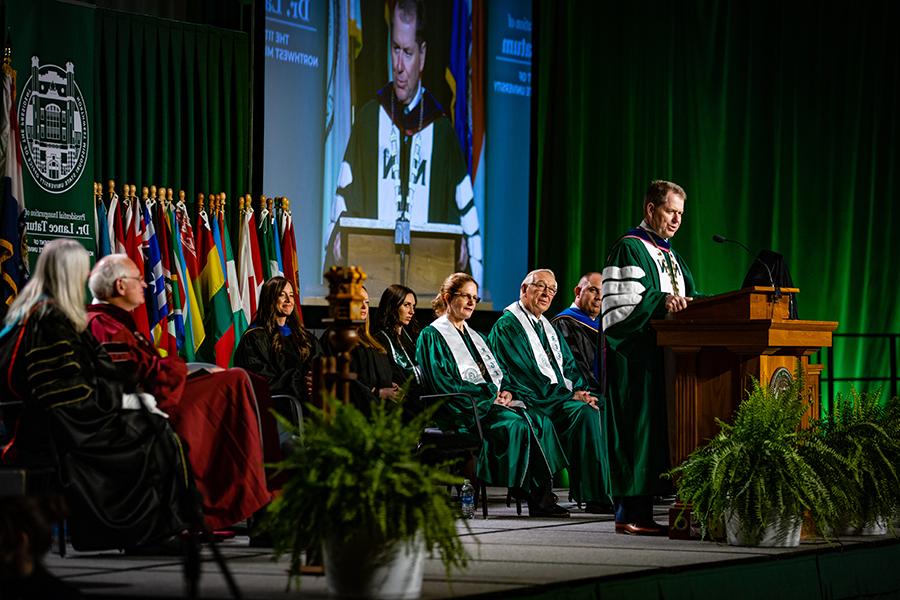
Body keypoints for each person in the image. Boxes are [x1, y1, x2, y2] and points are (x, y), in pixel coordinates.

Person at [0, 239, 194, 551]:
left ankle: (156, 529)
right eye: (80, 272)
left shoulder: (47, 313)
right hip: (57, 425)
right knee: (149, 433)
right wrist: (117, 401)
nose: (84, 278)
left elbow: (97, 369)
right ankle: (143, 535)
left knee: (150, 426)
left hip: (72, 415)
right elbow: (64, 392)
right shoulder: (47, 318)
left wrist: (126, 393)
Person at [86, 254, 272, 532]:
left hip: (159, 390)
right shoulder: (103, 324)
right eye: (139, 279)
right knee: (234, 384)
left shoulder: (116, 322)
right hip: (141, 406)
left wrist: (185, 371)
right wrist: (179, 370)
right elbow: (131, 376)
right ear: (120, 286)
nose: (146, 285)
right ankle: (241, 503)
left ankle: (251, 499)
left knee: (239, 380)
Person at [326, 0, 483, 286]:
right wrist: (340, 234)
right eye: (395, 49)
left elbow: (465, 225)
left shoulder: (442, 131)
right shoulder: (368, 120)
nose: (399, 66)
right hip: (372, 285)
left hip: (427, 285)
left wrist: (460, 245)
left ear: (422, 56)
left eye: (408, 53)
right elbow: (343, 207)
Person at [416, 273, 569, 517]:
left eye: (474, 298)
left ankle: (539, 496)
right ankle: (532, 494)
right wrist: (489, 394)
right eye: (465, 296)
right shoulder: (432, 336)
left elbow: (499, 373)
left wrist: (505, 391)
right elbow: (443, 382)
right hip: (458, 410)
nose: (471, 302)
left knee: (540, 419)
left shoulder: (476, 336)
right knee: (517, 425)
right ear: (447, 297)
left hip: (485, 405)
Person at [601, 179, 698, 536]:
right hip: (635, 362)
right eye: (670, 211)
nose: (676, 220)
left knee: (657, 434)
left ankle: (645, 511)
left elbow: (686, 296)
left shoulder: (670, 253)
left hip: (666, 359)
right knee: (636, 432)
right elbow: (620, 310)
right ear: (650, 209)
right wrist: (661, 302)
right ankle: (629, 514)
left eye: (680, 214)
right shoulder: (630, 248)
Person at [489, 269, 611, 513]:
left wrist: (580, 391)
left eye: (552, 290)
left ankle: (597, 494)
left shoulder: (547, 327)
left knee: (593, 410)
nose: (547, 293)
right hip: (530, 398)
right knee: (573, 415)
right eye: (541, 287)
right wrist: (569, 395)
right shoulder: (508, 326)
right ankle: (542, 496)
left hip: (553, 398)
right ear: (524, 289)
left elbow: (569, 366)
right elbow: (523, 374)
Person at [234, 276, 321, 403]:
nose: (289, 300)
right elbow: (259, 380)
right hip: (277, 408)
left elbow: (319, 361)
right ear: (269, 299)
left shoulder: (305, 337)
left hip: (310, 404)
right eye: (282, 295)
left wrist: (316, 378)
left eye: (291, 295)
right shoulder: (255, 338)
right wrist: (300, 382)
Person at [320, 286, 397, 407]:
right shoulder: (334, 338)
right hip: (356, 411)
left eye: (367, 302)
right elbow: (341, 379)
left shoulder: (370, 340)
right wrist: (377, 392)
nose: (364, 307)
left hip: (384, 408)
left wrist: (388, 383)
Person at [551, 272, 603, 392]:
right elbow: (574, 367)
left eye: (603, 292)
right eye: (593, 290)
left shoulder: (602, 326)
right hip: (584, 394)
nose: (599, 297)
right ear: (578, 291)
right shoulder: (564, 323)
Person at [374, 283, 423, 388]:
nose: (412, 311)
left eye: (413, 306)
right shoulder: (380, 339)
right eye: (406, 305)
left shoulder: (412, 336)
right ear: (392, 306)